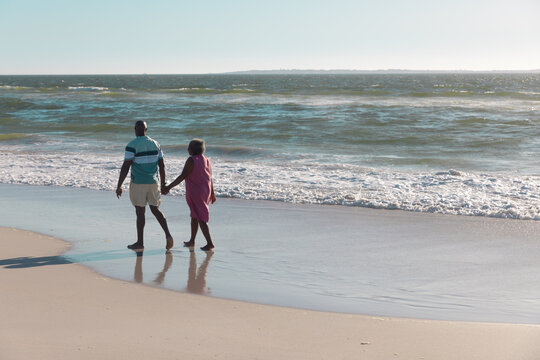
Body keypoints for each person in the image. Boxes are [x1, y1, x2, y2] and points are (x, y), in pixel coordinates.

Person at [116, 120, 174, 251]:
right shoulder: (156, 144)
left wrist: (119, 185)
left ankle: (140, 242)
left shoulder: (132, 145)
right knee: (156, 210)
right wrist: (163, 184)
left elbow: (126, 166)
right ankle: (168, 235)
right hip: (154, 182)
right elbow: (162, 165)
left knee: (140, 212)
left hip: (139, 183)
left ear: (135, 129)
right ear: (146, 130)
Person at [162, 139, 216, 251]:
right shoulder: (207, 160)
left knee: (201, 218)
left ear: (190, 150)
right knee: (194, 215)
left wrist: (168, 187)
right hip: (205, 191)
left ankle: (210, 243)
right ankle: (192, 240)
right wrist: (212, 193)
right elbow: (210, 178)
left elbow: (182, 176)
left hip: (196, 192)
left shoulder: (191, 160)